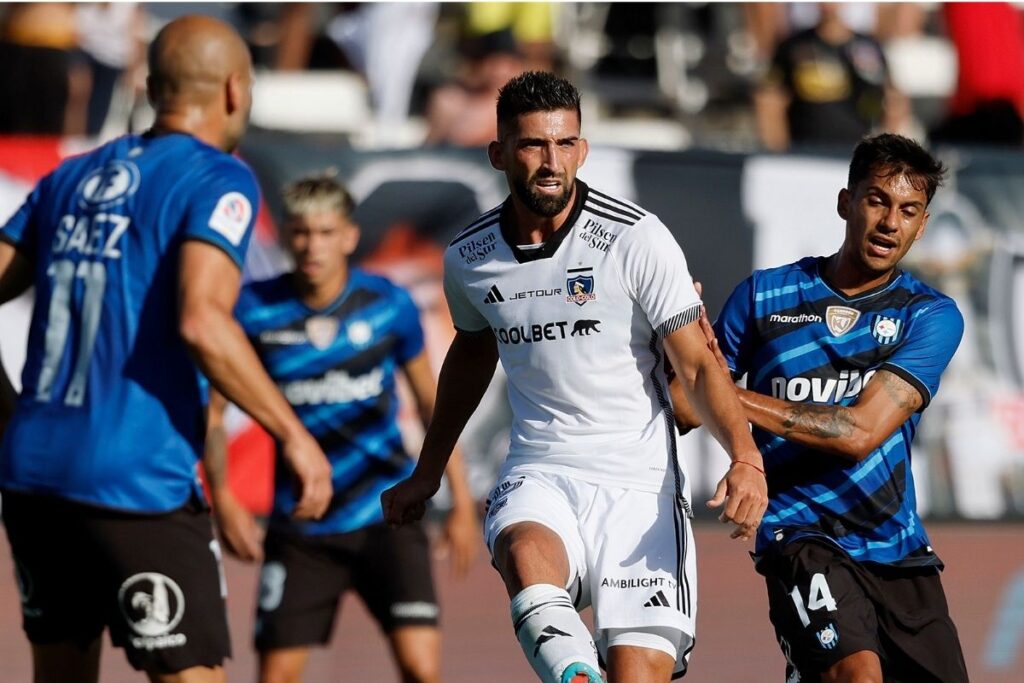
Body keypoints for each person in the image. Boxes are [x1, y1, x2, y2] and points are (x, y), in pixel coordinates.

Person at [382, 71, 767, 683]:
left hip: (639, 486)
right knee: (523, 552)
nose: (550, 161)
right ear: (499, 153)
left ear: (582, 150)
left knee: (635, 673)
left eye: (565, 145)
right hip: (541, 466)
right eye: (533, 145)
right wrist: (428, 471)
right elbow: (472, 353)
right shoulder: (469, 257)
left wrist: (744, 457)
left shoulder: (634, 238)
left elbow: (696, 362)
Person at [0, 15, 332, 683]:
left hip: (33, 474)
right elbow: (203, 323)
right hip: (134, 480)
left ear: (152, 87)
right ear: (236, 90)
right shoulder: (217, 178)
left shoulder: (71, 177)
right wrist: (292, 433)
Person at [692, 133, 969, 682]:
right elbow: (685, 402)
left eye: (909, 211)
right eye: (877, 201)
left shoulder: (929, 316)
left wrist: (721, 389)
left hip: (896, 546)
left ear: (923, 225)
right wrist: (675, 345)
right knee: (856, 676)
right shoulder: (764, 297)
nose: (891, 222)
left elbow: (858, 432)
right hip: (800, 534)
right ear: (846, 203)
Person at [203, 172, 481, 683]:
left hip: (388, 515)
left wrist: (460, 499)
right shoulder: (254, 309)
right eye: (302, 232)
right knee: (275, 678)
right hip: (302, 526)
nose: (313, 246)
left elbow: (430, 404)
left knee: (422, 670)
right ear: (285, 235)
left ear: (350, 237)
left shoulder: (387, 304)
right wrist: (223, 497)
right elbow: (214, 412)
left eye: (327, 233)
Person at [754, 3, 909, 151]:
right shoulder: (794, 46)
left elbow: (893, 102)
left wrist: (884, 154)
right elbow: (769, 101)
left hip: (857, 154)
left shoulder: (868, 47)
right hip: (805, 151)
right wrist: (780, 155)